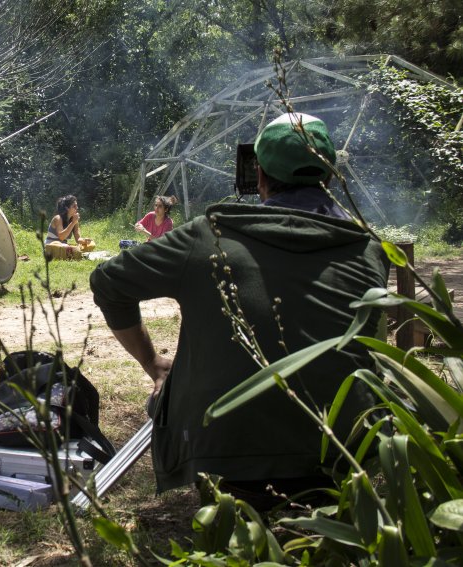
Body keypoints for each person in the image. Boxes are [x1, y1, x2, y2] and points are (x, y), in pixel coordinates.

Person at [90, 113, 389, 510]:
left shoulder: (207, 237)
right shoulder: (368, 251)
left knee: (169, 391)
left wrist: (152, 362)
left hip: (228, 454)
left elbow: (108, 282)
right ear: (331, 177)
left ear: (259, 176)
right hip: (346, 451)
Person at [44, 195, 93, 259]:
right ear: (67, 208)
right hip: (51, 245)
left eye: (77, 205)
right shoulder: (58, 218)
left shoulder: (74, 221)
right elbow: (61, 237)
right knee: (60, 244)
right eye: (74, 206)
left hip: (63, 246)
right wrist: (73, 223)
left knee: (89, 245)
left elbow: (78, 239)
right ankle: (68, 252)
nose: (77, 208)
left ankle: (69, 251)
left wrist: (85, 241)